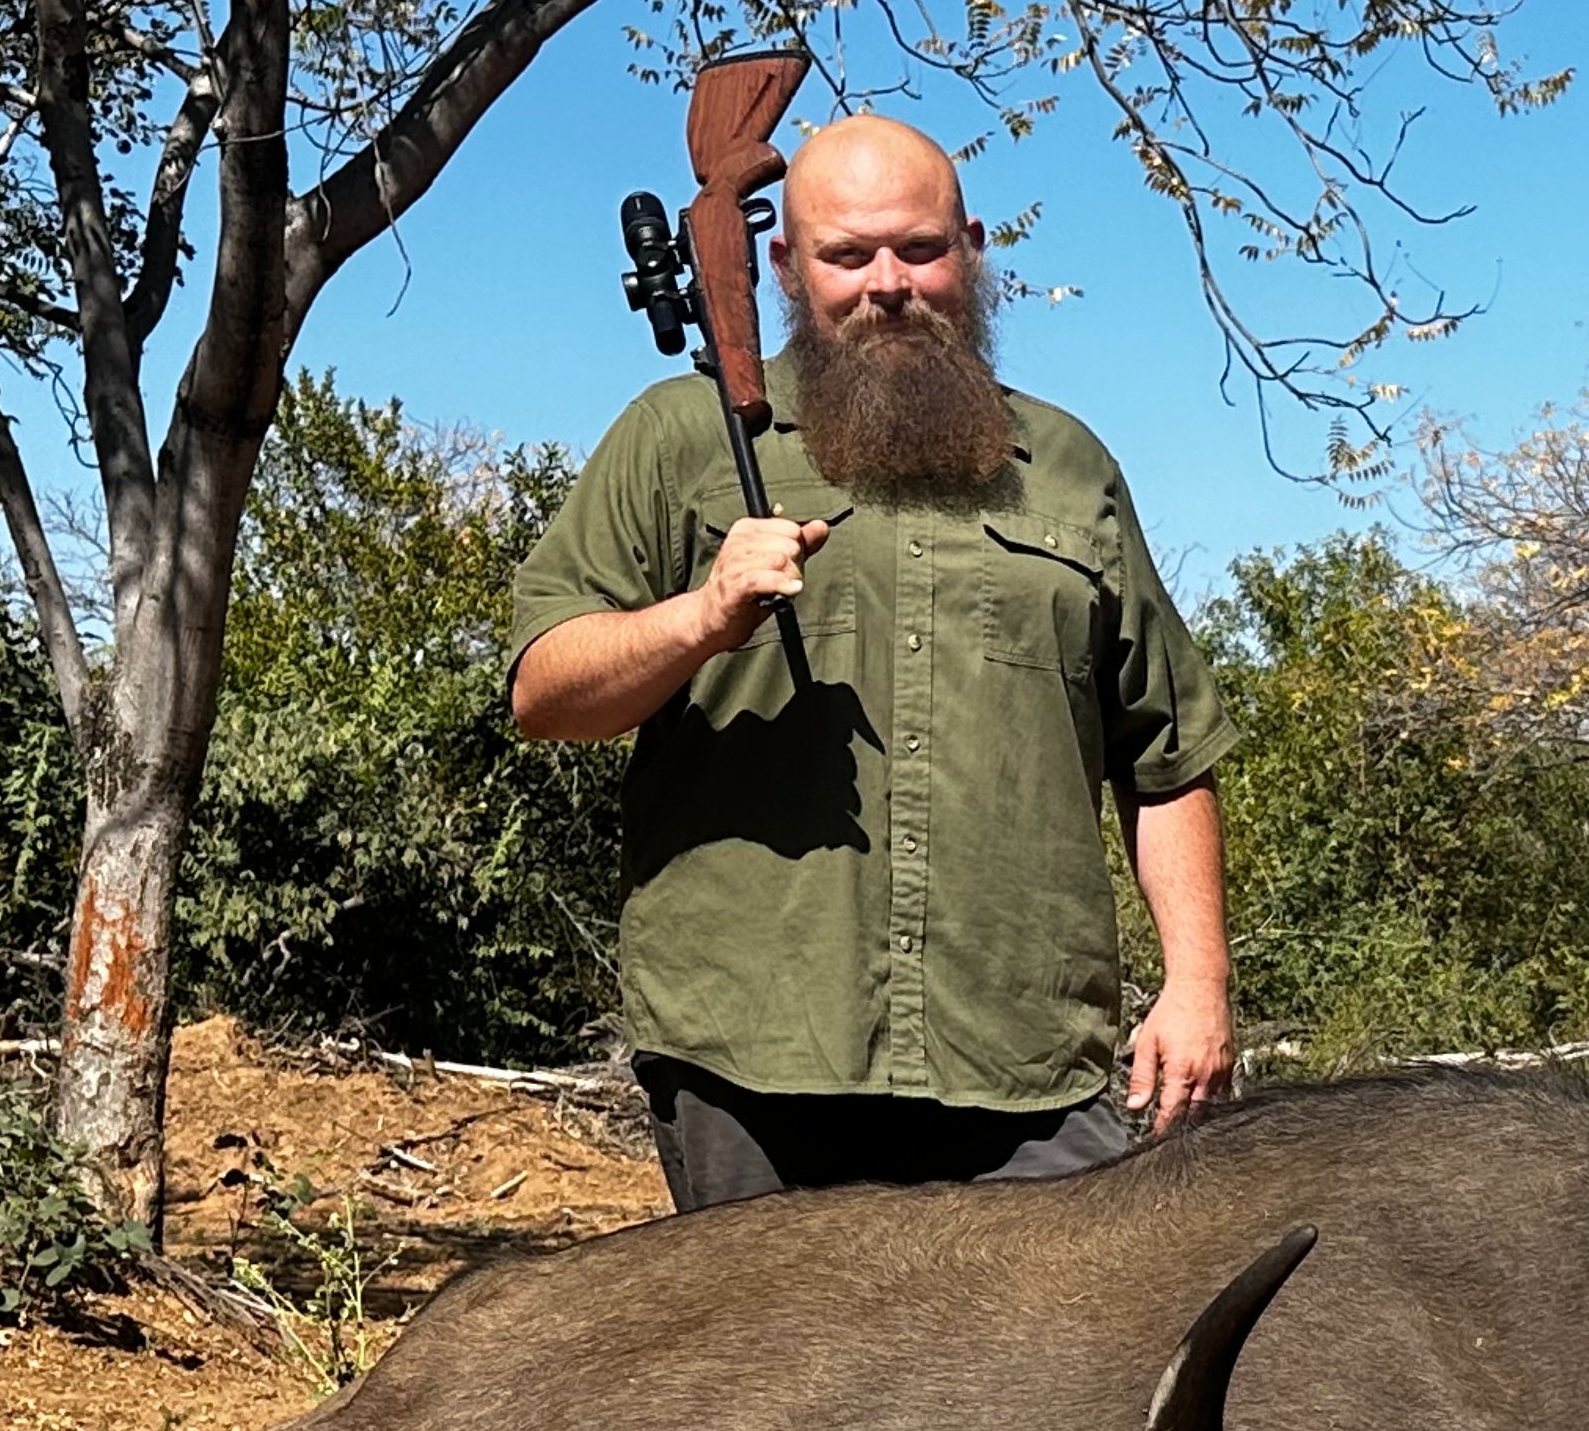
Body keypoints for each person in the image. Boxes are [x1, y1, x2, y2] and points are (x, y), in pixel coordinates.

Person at [509, 113, 1239, 1210]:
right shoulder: (683, 439)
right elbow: (544, 691)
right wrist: (702, 617)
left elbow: (1165, 753)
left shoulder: (1068, 464)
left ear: (974, 249)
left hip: (1028, 1063)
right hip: (750, 1051)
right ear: (785, 266)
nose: (887, 283)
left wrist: (1199, 982)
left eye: (920, 248)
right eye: (847, 256)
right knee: (776, 1382)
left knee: (1046, 1385)